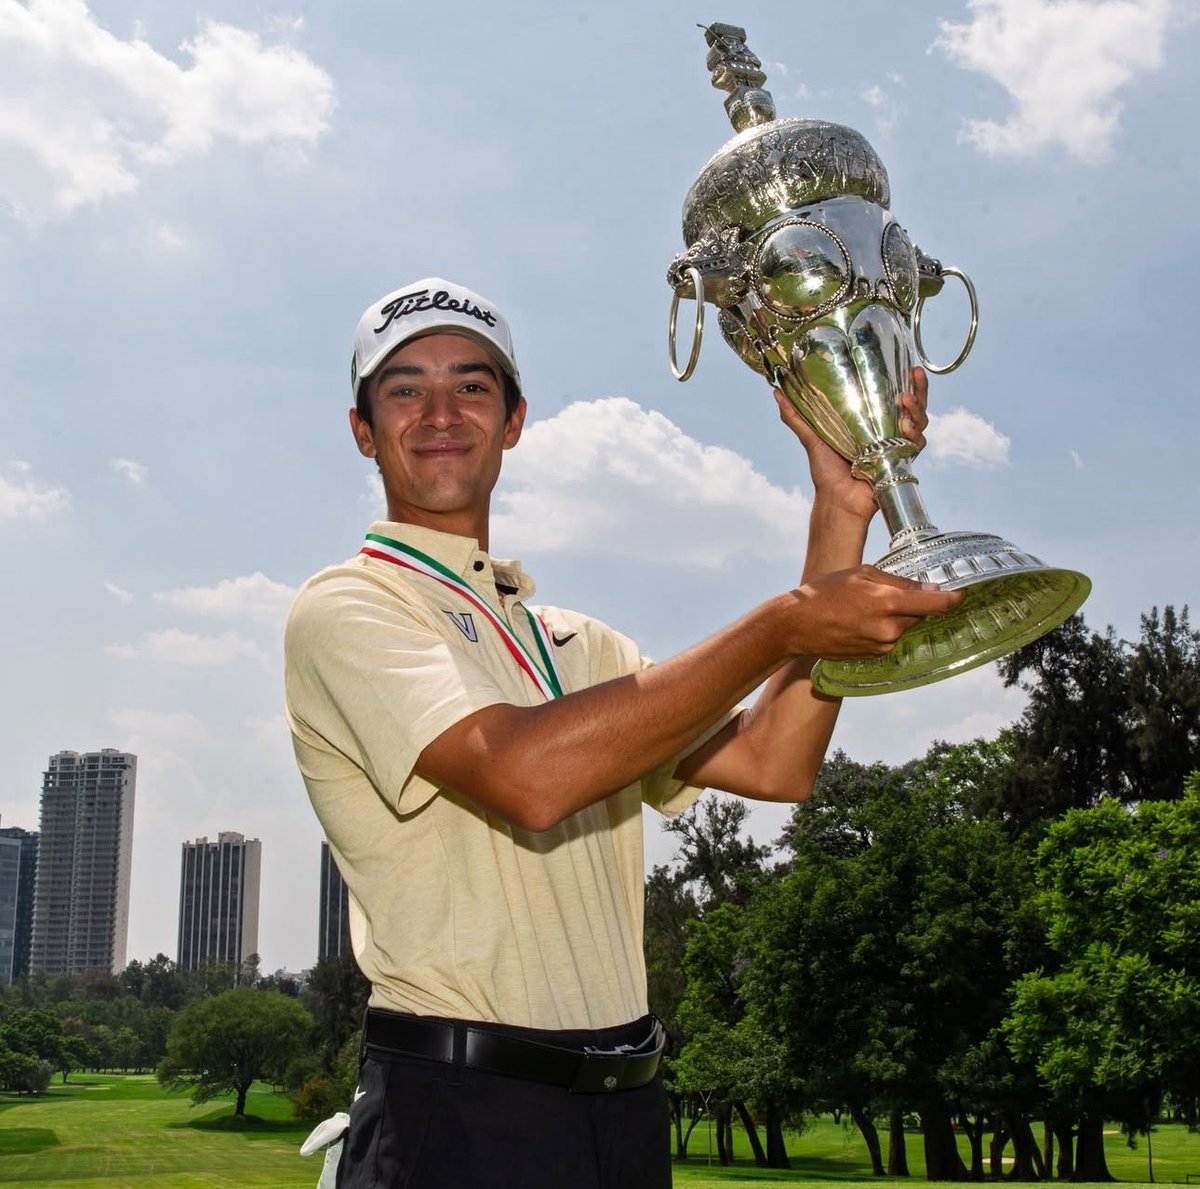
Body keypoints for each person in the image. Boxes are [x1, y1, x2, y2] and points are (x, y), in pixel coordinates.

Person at [284, 277, 962, 1188]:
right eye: (405, 389)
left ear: (514, 421)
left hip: (626, 1116)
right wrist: (784, 623)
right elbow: (526, 776)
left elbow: (776, 760)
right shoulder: (348, 605)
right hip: (457, 1112)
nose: (440, 412)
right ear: (364, 430)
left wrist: (840, 513)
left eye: (472, 385)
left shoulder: (584, 645)